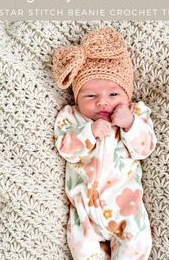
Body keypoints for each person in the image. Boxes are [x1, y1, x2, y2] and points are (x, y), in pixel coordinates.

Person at [53, 27, 157, 260]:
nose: (102, 102)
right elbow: (66, 149)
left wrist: (130, 124)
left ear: (127, 96)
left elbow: (145, 148)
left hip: (126, 211)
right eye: (90, 96)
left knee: (137, 244)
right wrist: (88, 132)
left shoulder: (135, 113)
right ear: (77, 99)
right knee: (82, 250)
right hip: (84, 214)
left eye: (113, 95)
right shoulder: (71, 117)